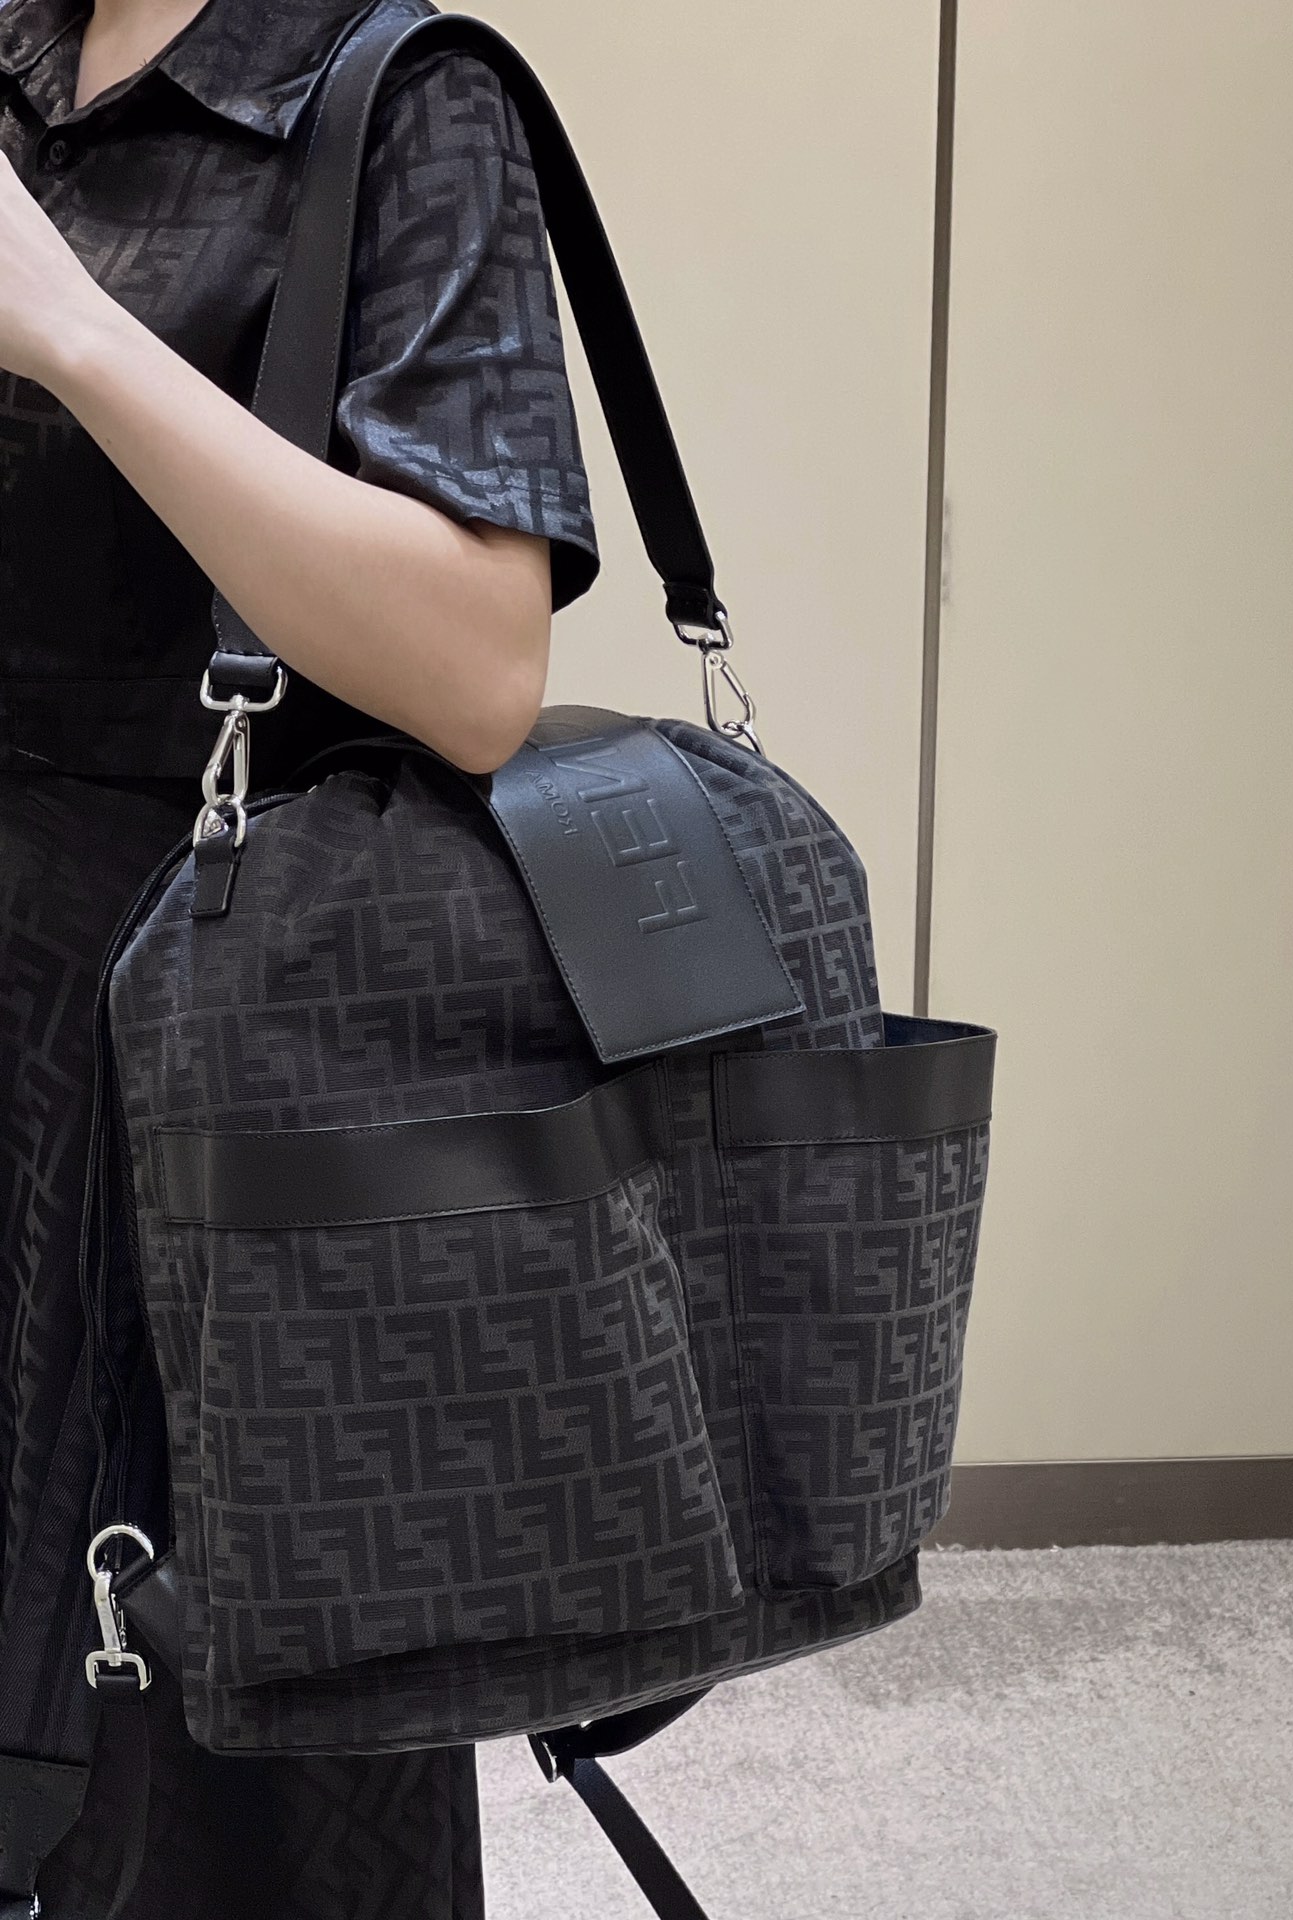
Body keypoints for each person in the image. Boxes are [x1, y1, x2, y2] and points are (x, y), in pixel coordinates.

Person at [0, 0, 600, 1910]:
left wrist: (68, 330)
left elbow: (480, 665)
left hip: (205, 1092)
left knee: (201, 1797)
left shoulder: (396, 98)